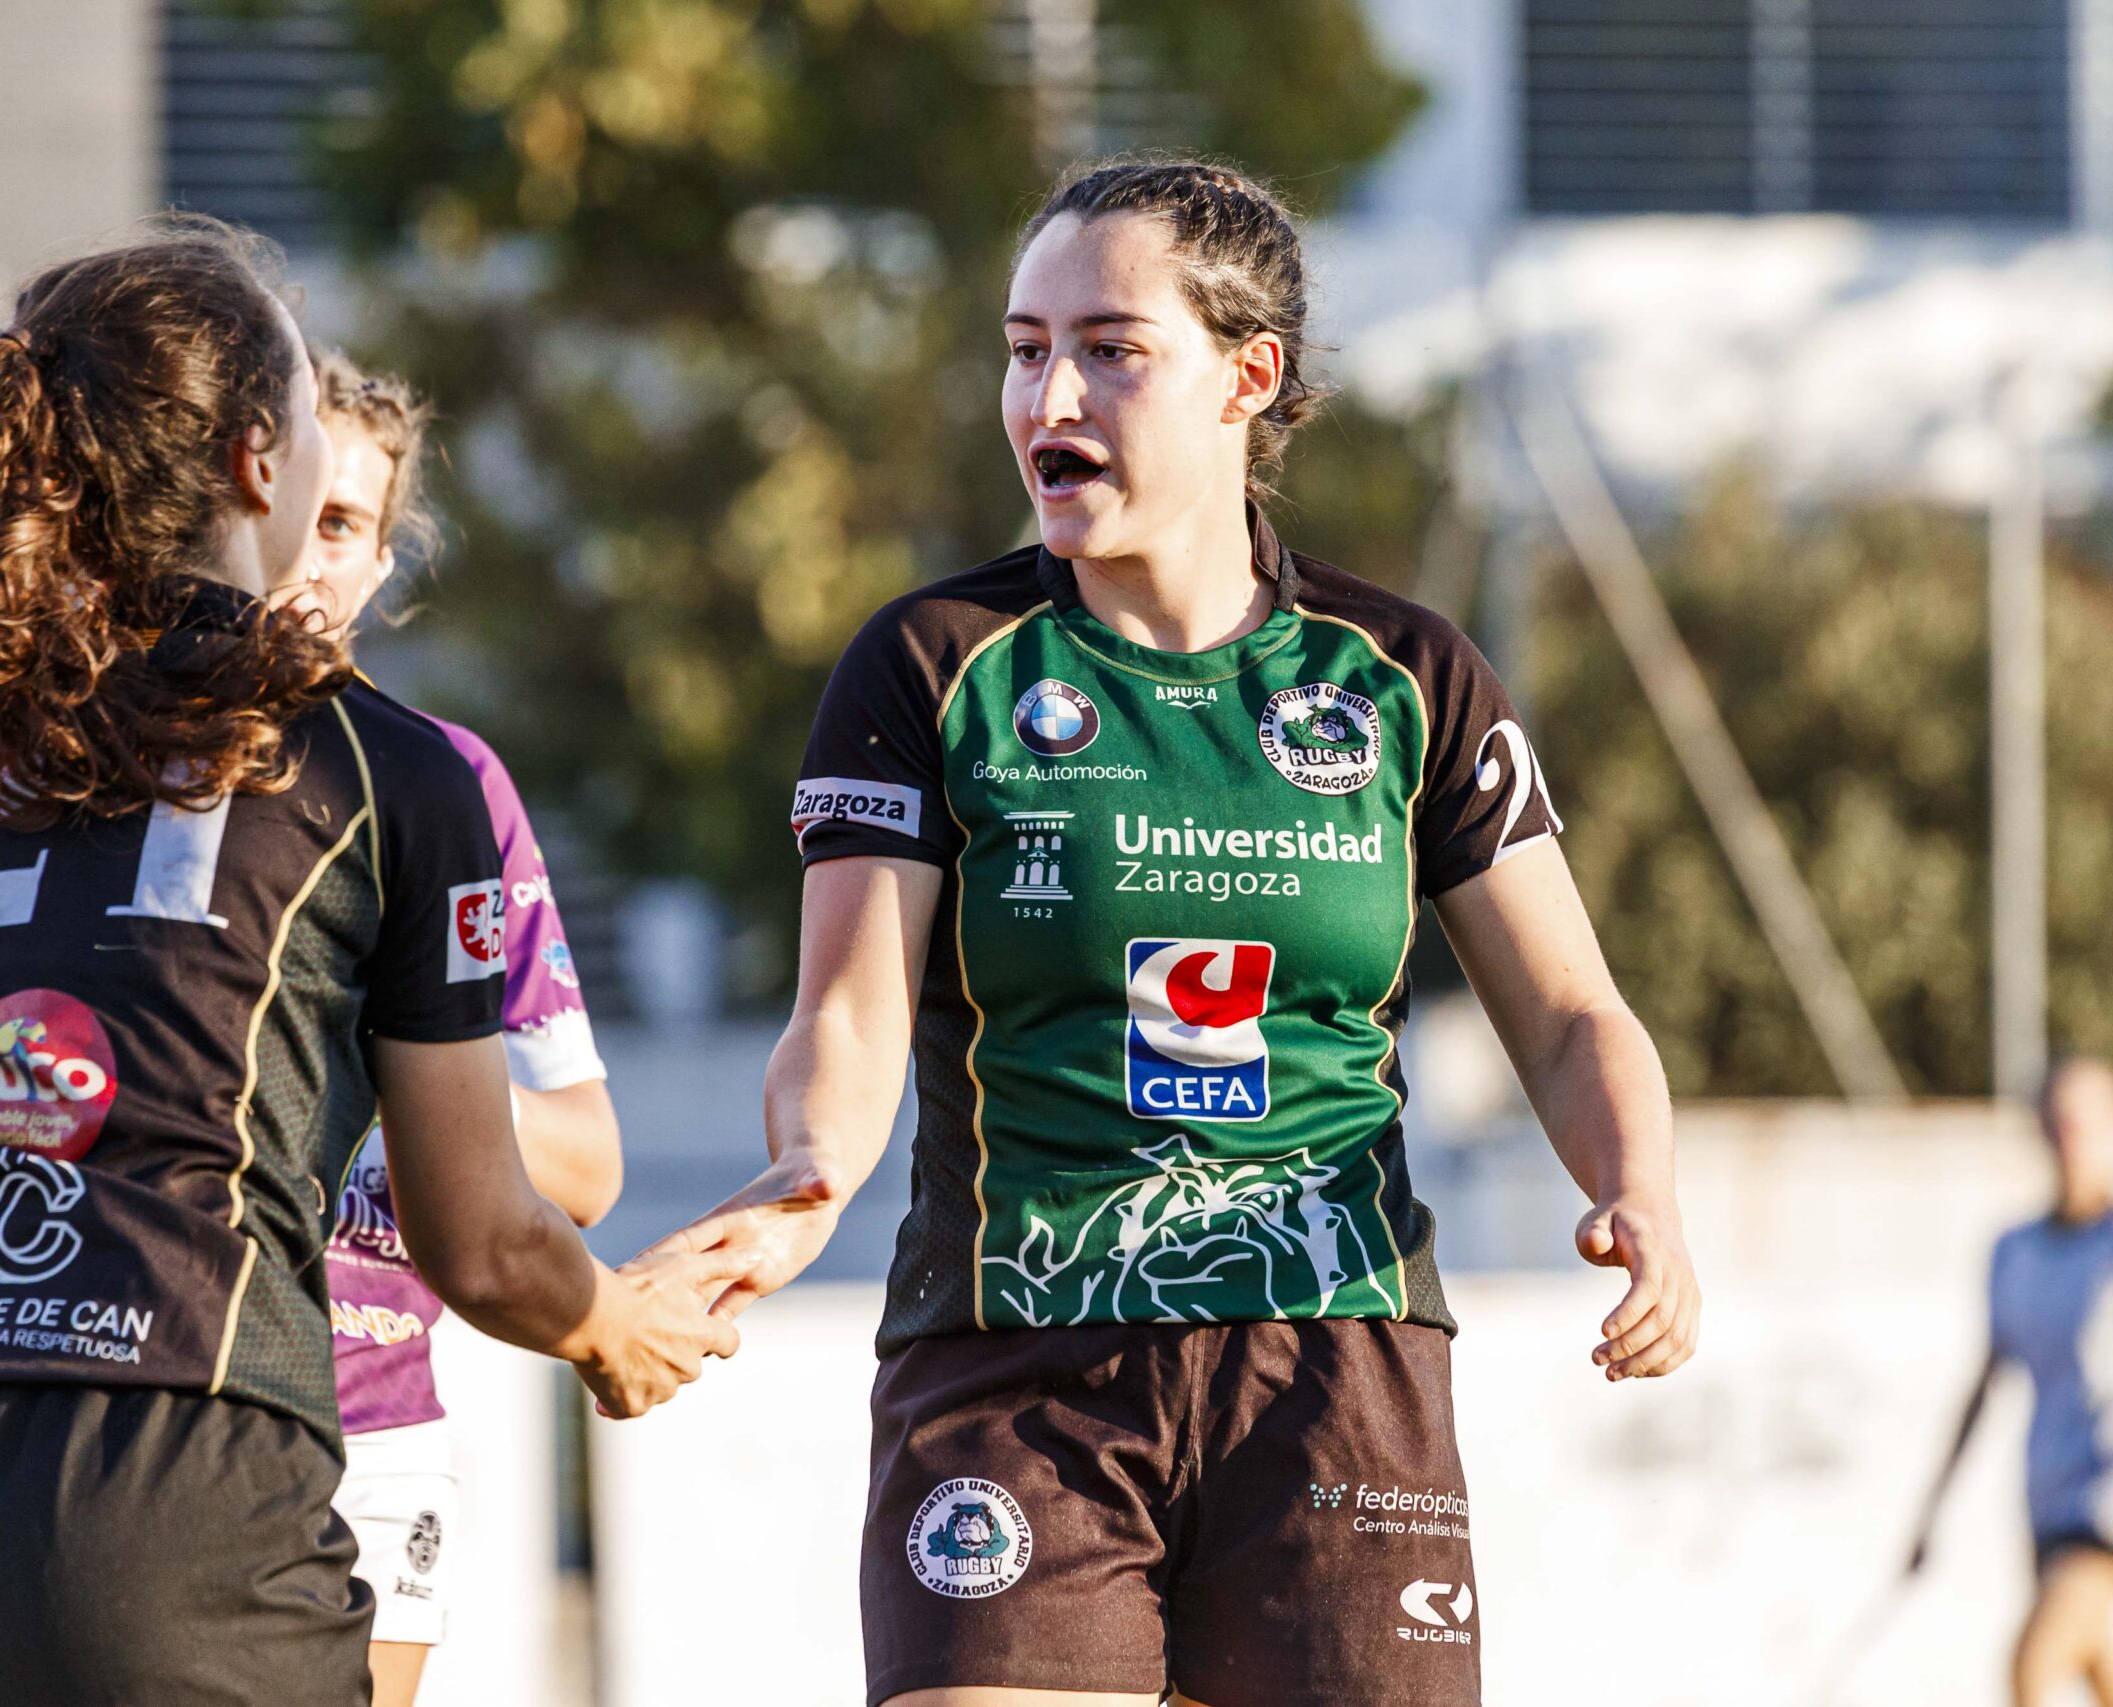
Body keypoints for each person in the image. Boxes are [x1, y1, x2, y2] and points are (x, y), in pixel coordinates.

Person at [652, 156, 1701, 1707]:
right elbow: (852, 1011)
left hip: (1334, 1364)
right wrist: (807, 1181)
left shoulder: (1405, 672)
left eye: (1109, 347)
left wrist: (1641, 1189)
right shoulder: (932, 664)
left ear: (1247, 376)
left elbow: (1568, 1014)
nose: (1046, 391)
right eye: (1022, 346)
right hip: (1016, 1357)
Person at [0, 224, 740, 1707]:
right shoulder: (391, 771)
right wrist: (611, 1326)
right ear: (263, 461)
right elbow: (487, 1238)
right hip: (164, 1473)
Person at [288, 350, 624, 1707]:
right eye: (293, 508)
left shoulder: (445, 786)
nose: (309, 562)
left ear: (383, 562)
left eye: (345, 529)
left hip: (378, 1422)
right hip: (159, 1405)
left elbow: (584, 1167)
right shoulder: (102, 758)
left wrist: (401, 1044)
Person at [1906, 1056, 2113, 1707]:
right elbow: (1986, 1385)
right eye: (2054, 1119)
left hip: (2102, 1509)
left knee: (2032, 1670)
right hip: (2046, 1502)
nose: (2066, 1135)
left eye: (2081, 1119)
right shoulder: (2014, 1250)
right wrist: (1929, 1513)